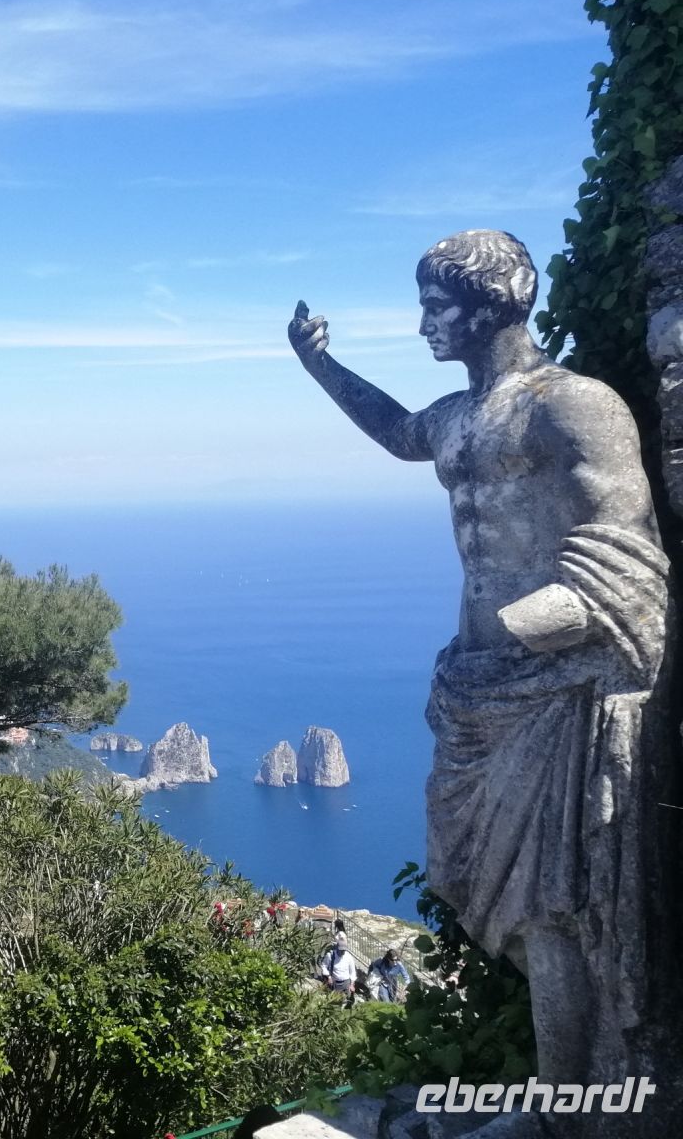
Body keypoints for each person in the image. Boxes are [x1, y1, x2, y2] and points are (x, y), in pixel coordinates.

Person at [288, 229, 671, 1086]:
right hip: (477, 686)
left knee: (553, 902)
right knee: (500, 892)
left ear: (492, 303)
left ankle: (573, 1096)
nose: (424, 323)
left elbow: (629, 551)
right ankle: (563, 1087)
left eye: (436, 304)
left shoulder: (574, 405)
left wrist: (536, 626)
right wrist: (321, 368)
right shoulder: (460, 417)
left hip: (554, 686)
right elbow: (396, 432)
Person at [318, 935, 356, 1005]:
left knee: (347, 1001)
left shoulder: (349, 957)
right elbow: (323, 966)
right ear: (337, 948)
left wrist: (352, 984)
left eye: (344, 950)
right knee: (335, 1001)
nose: (342, 952)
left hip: (346, 982)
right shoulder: (330, 955)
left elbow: (352, 972)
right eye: (341, 950)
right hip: (335, 982)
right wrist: (328, 976)